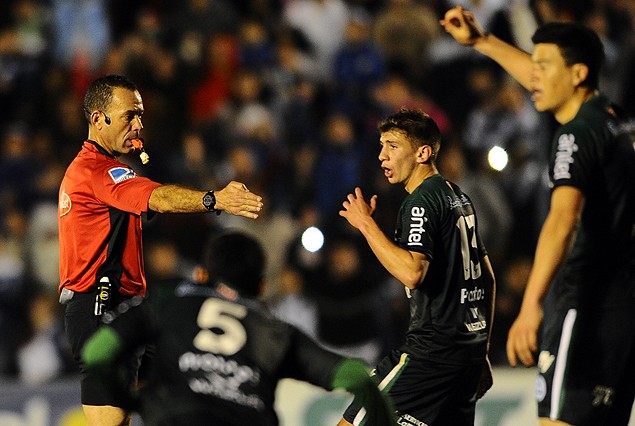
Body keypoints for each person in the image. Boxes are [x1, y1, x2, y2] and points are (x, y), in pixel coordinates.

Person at [441, 6, 635, 425]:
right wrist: (483, 42)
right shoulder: (617, 122)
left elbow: (562, 219)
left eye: (544, 66)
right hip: (623, 308)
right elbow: (545, 71)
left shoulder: (575, 135)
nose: (533, 76)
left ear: (578, 74)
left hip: (584, 303)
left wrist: (531, 304)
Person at [58, 74, 264, 426]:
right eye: (128, 115)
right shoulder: (98, 171)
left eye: (139, 115)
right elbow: (159, 197)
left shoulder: (102, 170)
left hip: (125, 308)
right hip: (101, 307)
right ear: (97, 118)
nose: (138, 124)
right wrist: (216, 199)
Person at [81, 231, 396, 426]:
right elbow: (355, 375)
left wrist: (132, 399)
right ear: (260, 287)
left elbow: (96, 353)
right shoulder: (275, 330)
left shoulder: (166, 303)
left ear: (202, 275)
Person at [337, 108, 496, 426]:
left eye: (393, 146)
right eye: (381, 146)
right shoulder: (457, 196)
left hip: (430, 355)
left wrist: (366, 225)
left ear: (423, 152)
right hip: (465, 354)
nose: (382, 156)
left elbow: (412, 271)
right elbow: (487, 278)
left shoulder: (421, 202)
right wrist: (482, 351)